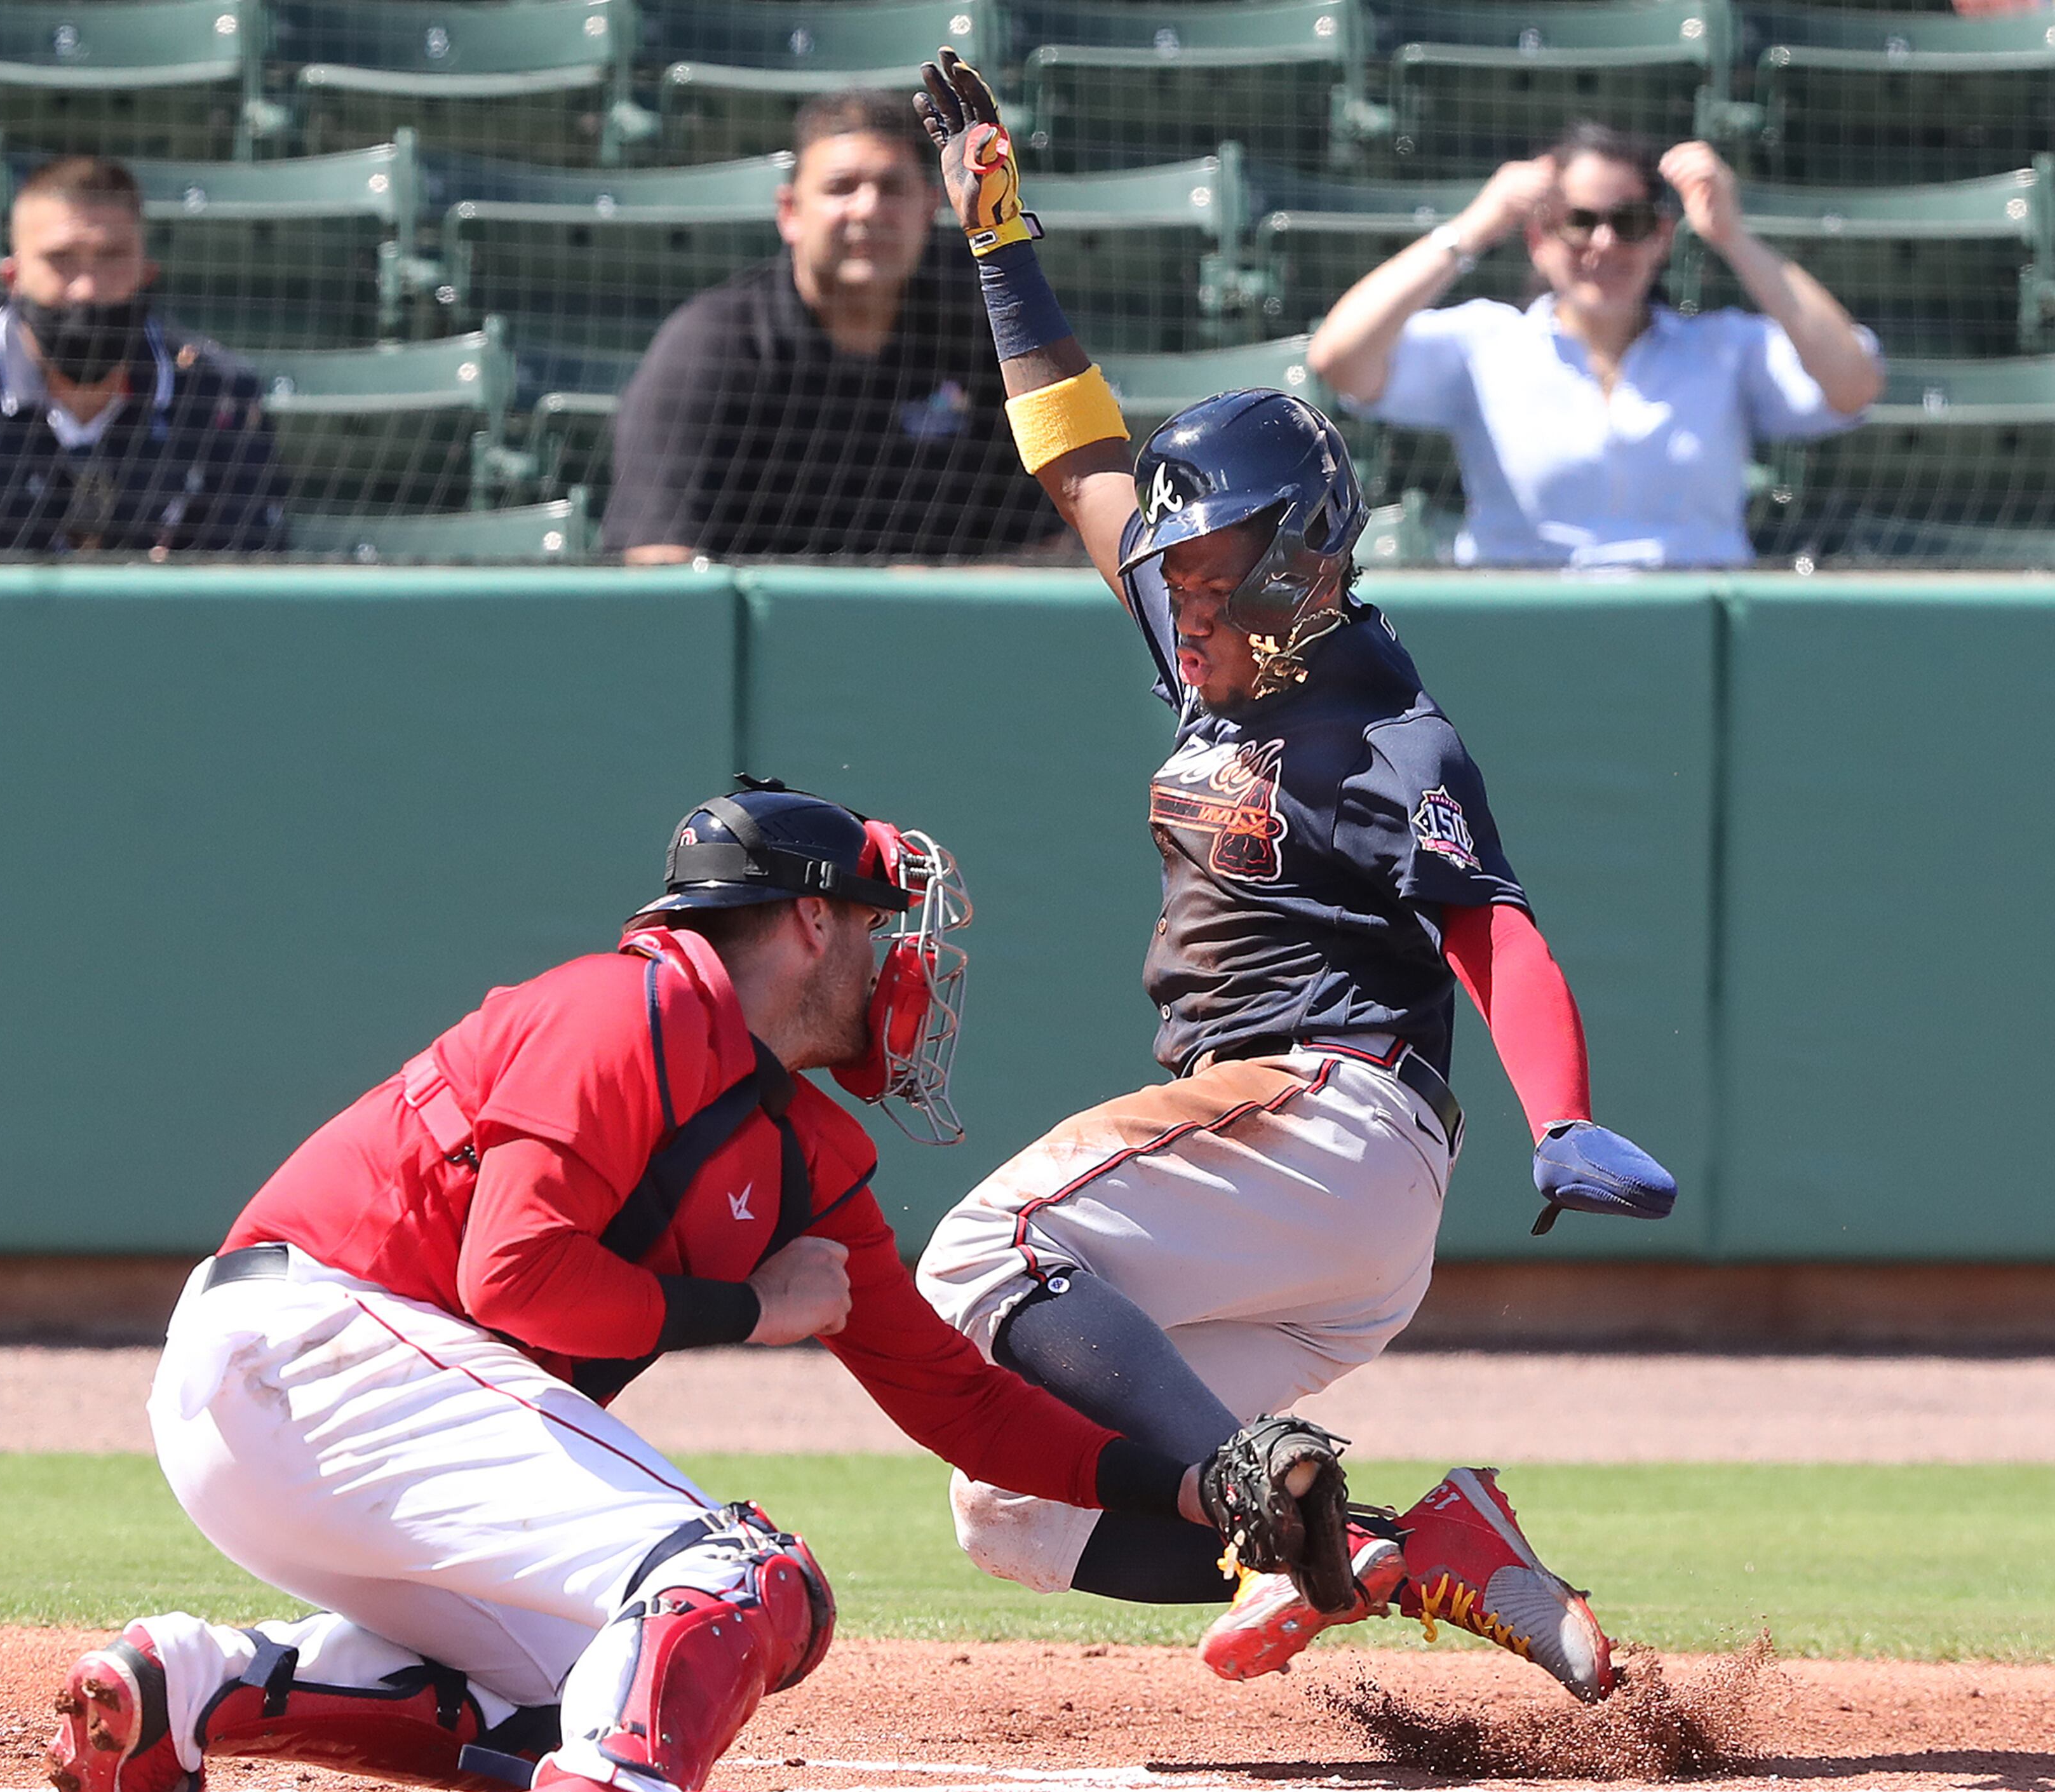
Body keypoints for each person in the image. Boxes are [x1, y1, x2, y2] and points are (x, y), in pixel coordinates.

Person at [45, 781, 1284, 1792]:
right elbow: (516, 1273)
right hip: (309, 1344)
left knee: (581, 1688)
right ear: (809, 922)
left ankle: (189, 1689)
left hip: (299, 1412)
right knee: (745, 1581)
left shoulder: (805, 1149)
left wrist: (1188, 1485)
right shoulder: (623, 1006)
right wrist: (751, 1310)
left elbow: (955, 1396)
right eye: (874, 923)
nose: (895, 958)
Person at [902, 52, 1680, 1698]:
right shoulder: (1215, 659)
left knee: (980, 1254)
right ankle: (1411, 1547)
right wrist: (999, 241)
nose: (1176, 588)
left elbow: (1494, 933)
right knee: (1009, 1501)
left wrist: (1561, 1108)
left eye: (1209, 563)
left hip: (1335, 1115)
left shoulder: (1385, 724)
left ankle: (1279, 1510)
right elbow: (1075, 453)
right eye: (1170, 566)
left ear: (1305, 555)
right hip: (1298, 1211)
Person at [1304, 124, 1883, 569]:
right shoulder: (1485, 343)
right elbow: (1341, 358)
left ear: (1662, 239)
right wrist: (1475, 226)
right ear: (1538, 238)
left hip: (1693, 633)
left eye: (1629, 221)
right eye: (1578, 221)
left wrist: (1733, 238)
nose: (1604, 244)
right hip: (1524, 629)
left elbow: (1853, 383)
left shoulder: (1724, 348)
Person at [602, 91, 1060, 563]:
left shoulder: (985, 336)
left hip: (949, 629)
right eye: (841, 187)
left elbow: (1055, 544)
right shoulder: (710, 347)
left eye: (892, 187)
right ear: (789, 212)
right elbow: (657, 562)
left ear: (930, 208)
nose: (867, 209)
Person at [0, 156, 286, 558]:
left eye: (111, 257)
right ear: (12, 276)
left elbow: (252, 587)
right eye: (60, 260)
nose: (87, 289)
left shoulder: (216, 393)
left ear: (147, 272)